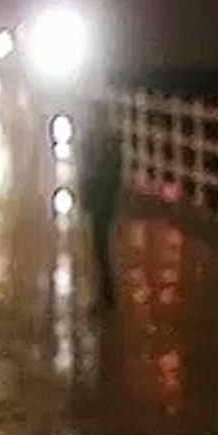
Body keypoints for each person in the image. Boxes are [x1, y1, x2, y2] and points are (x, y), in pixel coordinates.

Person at [79, 101, 124, 310]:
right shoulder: (104, 140)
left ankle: (106, 293)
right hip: (100, 199)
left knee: (101, 247)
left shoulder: (104, 141)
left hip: (102, 200)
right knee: (99, 247)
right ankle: (105, 292)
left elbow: (104, 173)